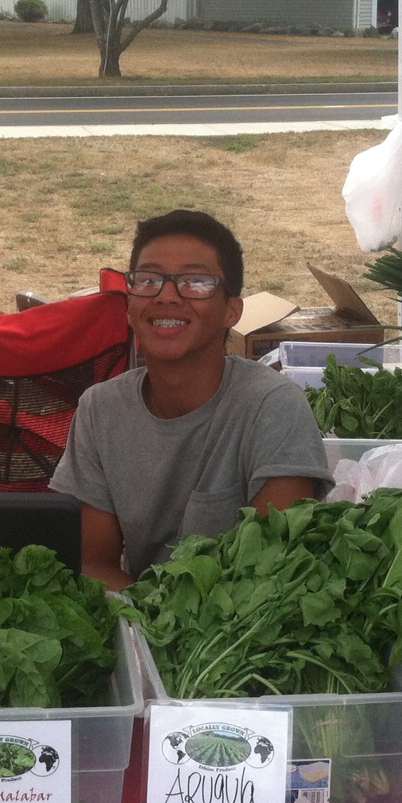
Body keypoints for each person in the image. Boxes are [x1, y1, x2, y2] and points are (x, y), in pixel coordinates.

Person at [50, 209, 332, 590]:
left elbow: (273, 573)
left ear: (232, 311)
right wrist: (149, 618)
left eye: (195, 282)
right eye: (148, 280)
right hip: (139, 615)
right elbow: (92, 564)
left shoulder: (274, 407)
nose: (167, 296)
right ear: (129, 307)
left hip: (242, 620)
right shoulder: (100, 410)